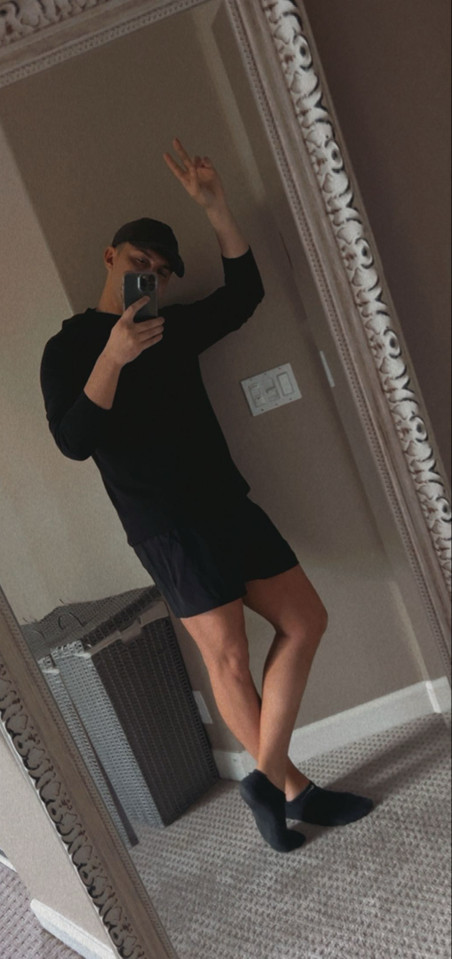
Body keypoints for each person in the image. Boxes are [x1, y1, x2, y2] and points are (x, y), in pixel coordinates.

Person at [40, 138, 373, 852]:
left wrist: (216, 206)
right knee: (228, 661)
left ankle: (264, 780)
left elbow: (245, 295)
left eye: (160, 273)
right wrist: (113, 357)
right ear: (111, 256)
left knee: (306, 620)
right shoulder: (67, 348)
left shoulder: (171, 327)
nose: (151, 278)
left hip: (226, 501)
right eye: (141, 263)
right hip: (166, 526)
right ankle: (293, 790)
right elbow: (73, 440)